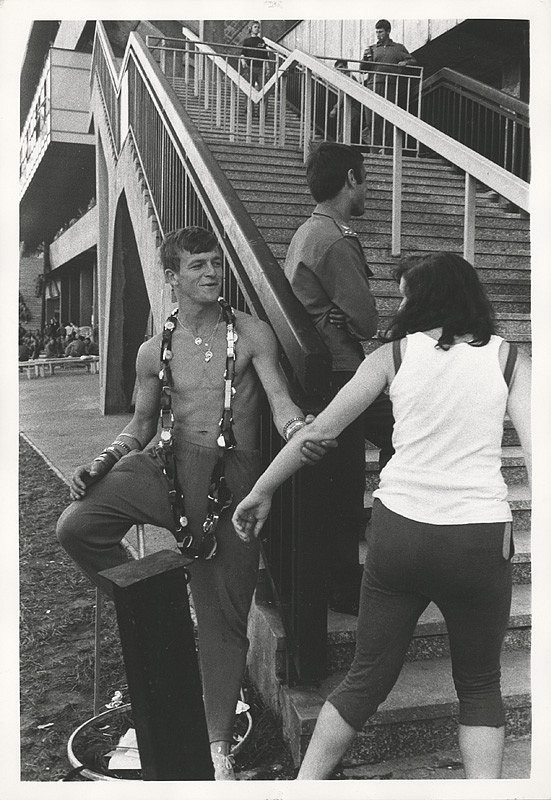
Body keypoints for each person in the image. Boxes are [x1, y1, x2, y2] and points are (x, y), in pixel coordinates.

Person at [233, 251, 531, 780]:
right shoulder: (510, 359)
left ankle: (303, 786)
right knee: (481, 686)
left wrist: (263, 489)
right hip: (478, 539)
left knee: (365, 679)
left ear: (424, 299)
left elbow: (319, 432)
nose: (401, 305)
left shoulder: (391, 357)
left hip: (400, 536)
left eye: (405, 295)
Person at [56, 226, 334, 780]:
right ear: (172, 276)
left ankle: (216, 750)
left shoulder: (251, 333)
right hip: (166, 467)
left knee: (223, 617)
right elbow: (140, 426)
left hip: (232, 480)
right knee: (76, 525)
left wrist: (297, 428)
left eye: (215, 263)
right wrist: (102, 461)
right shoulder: (153, 349)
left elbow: (280, 402)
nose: (211, 273)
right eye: (197, 265)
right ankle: (153, 605)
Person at [284, 141, 394, 613]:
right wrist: (353, 317)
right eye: (365, 178)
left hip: (328, 368)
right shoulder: (336, 239)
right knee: (350, 483)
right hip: (341, 372)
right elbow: (366, 322)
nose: (368, 188)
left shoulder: (308, 232)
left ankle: (355, 570)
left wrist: (341, 314)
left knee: (383, 447)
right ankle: (349, 584)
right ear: (350, 178)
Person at [359, 19, 417, 151]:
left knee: (389, 119)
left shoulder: (398, 48)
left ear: (388, 31)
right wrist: (365, 59)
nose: (378, 35)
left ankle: (388, 151)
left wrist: (405, 63)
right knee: (372, 120)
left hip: (390, 86)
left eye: (381, 32)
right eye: (377, 32)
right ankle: (375, 150)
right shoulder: (372, 49)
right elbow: (362, 69)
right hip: (373, 85)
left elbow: (413, 60)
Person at [329, 60, 363, 146]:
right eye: (337, 69)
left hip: (352, 109)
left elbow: (343, 95)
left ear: (346, 67)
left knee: (345, 134)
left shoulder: (348, 77)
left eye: (341, 67)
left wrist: (335, 108)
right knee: (347, 134)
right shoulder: (347, 77)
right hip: (350, 109)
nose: (339, 70)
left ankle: (340, 149)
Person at [240, 20, 270, 90]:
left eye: (258, 27)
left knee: (263, 89)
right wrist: (243, 61)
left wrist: (268, 68)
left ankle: (262, 98)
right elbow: (243, 53)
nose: (257, 29)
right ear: (251, 28)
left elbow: (265, 56)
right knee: (249, 88)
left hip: (260, 68)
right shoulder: (247, 41)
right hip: (250, 67)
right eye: (255, 27)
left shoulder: (261, 41)